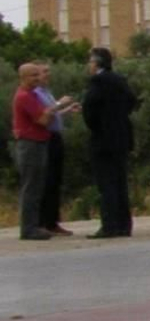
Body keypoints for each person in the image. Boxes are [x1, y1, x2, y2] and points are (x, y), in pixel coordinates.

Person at [12, 63, 75, 240]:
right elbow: (42, 119)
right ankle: (29, 228)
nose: (38, 78)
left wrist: (52, 111)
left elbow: (44, 116)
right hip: (30, 144)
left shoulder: (32, 95)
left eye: (38, 75)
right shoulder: (25, 96)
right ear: (23, 78)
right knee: (31, 187)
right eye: (33, 75)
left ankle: (35, 225)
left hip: (39, 142)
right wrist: (57, 106)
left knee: (38, 186)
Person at [82, 47, 138, 238]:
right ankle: (124, 224)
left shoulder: (98, 81)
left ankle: (110, 225)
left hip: (104, 139)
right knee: (120, 182)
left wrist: (99, 124)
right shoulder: (119, 80)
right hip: (122, 137)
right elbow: (132, 100)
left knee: (106, 184)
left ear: (96, 63)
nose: (89, 65)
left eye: (90, 62)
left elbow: (89, 109)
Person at [32, 63, 78, 235]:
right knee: (47, 180)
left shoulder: (46, 92)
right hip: (46, 139)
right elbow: (44, 114)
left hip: (56, 137)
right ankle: (43, 221)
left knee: (55, 180)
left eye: (48, 71)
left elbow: (53, 114)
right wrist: (60, 103)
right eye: (44, 72)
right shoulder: (35, 94)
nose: (47, 75)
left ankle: (53, 221)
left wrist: (66, 110)